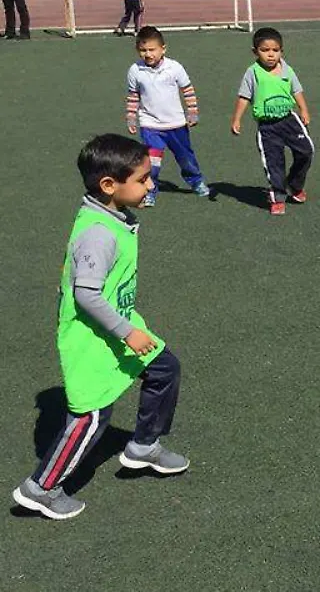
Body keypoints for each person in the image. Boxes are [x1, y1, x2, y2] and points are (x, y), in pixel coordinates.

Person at [11, 134, 190, 521]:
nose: (150, 184)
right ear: (109, 186)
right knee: (91, 416)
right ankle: (41, 488)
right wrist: (128, 332)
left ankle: (144, 446)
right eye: (143, 179)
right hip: (92, 337)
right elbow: (87, 297)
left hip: (118, 324)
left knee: (165, 368)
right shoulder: (98, 233)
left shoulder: (113, 217)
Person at [231, 27, 314, 215]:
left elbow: (296, 90)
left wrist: (304, 109)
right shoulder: (252, 73)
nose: (270, 55)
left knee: (306, 152)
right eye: (265, 50)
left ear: (281, 51)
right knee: (274, 162)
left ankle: (294, 185)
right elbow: (244, 97)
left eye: (275, 50)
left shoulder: (287, 69)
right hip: (268, 127)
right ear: (255, 51)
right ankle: (278, 196)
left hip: (289, 120)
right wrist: (237, 119)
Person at [125, 26, 210, 205]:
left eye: (151, 50)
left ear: (163, 49)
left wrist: (192, 111)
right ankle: (150, 191)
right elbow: (133, 95)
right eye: (143, 50)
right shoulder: (135, 70)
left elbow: (187, 90)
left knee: (186, 158)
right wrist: (131, 117)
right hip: (151, 126)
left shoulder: (174, 67)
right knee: (152, 164)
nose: (147, 54)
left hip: (176, 125)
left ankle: (196, 181)